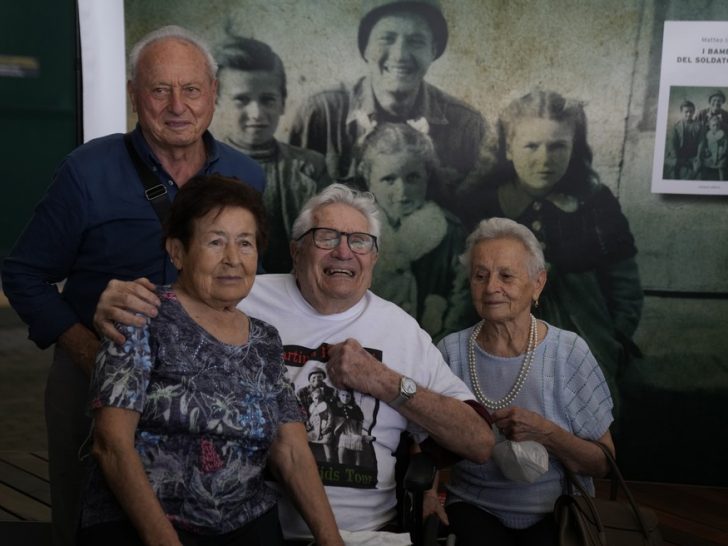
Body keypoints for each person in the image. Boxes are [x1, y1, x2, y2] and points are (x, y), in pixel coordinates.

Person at [93, 183, 495, 541]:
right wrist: (113, 305)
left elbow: (478, 442)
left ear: (374, 257)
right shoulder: (237, 294)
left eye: (359, 240)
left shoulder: (397, 329)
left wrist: (387, 383)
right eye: (326, 237)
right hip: (245, 523)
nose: (343, 251)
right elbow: (175, 304)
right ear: (295, 247)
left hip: (357, 529)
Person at [0, 25, 265, 546]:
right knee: (86, 524)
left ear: (212, 92)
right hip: (94, 380)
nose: (177, 106)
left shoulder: (245, 176)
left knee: (204, 522)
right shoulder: (86, 170)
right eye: (159, 89)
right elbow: (23, 273)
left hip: (207, 391)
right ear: (132, 94)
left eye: (191, 89)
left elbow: (244, 279)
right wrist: (88, 351)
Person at [78, 175, 341, 546]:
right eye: (215, 241)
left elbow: (292, 451)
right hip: (146, 523)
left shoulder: (265, 339)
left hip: (244, 521)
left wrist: (332, 541)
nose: (232, 259)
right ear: (178, 251)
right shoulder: (141, 315)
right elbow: (111, 445)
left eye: (245, 243)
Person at [458, 89, 642, 414]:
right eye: (531, 146)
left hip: (585, 347)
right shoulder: (483, 207)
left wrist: (613, 339)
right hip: (496, 347)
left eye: (558, 146)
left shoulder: (596, 204)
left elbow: (624, 285)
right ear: (509, 149)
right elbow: (461, 288)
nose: (544, 160)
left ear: (574, 147)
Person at [437, 217, 615, 546]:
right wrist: (427, 496)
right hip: (473, 505)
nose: (491, 287)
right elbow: (423, 436)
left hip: (558, 510)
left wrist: (548, 434)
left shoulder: (569, 353)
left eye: (506, 275)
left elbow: (604, 462)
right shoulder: (451, 352)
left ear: (537, 283)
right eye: (480, 275)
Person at [288, 0, 491, 213]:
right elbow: (294, 210)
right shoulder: (321, 114)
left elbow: (476, 216)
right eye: (387, 38)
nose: (400, 55)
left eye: (416, 41)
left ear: (433, 50)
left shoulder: (467, 126)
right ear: (366, 47)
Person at [213, 35, 331, 272]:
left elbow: (326, 238)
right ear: (217, 101)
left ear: (283, 102)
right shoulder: (202, 166)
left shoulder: (310, 167)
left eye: (267, 100)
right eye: (241, 100)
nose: (256, 113)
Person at [357, 122, 468, 338]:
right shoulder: (354, 229)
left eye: (413, 178)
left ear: (427, 175)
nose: (402, 190)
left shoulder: (449, 231)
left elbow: (462, 299)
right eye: (388, 179)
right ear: (369, 180)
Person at [667, 100, 702, 180]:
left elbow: (701, 142)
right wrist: (676, 157)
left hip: (693, 155)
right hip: (680, 154)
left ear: (694, 112)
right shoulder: (676, 126)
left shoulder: (699, 125)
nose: (689, 114)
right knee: (674, 170)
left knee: (697, 171)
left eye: (691, 111)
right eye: (686, 112)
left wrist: (698, 157)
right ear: (681, 112)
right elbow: (672, 143)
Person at [695, 114, 728, 181]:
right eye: (713, 125)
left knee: (721, 166)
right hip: (710, 155)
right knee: (704, 164)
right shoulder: (708, 135)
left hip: (720, 155)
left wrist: (724, 151)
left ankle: (722, 181)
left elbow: (726, 144)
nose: (715, 127)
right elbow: (705, 145)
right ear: (710, 126)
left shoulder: (722, 134)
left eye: (717, 125)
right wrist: (706, 150)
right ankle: (702, 178)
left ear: (720, 126)